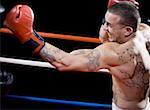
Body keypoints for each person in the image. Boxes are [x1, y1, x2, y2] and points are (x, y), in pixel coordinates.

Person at [3, 1, 150, 109]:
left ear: (127, 31)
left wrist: (28, 36)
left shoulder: (114, 54)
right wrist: (124, 11)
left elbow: (64, 62)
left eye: (109, 25)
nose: (105, 27)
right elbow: (106, 37)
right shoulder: (145, 32)